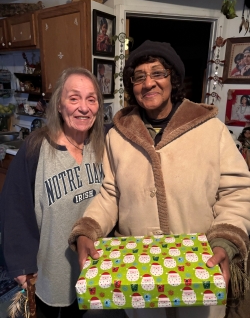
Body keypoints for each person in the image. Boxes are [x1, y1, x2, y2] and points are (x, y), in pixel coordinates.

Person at [68, 40, 250, 318]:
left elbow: (237, 191)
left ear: (173, 79)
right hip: (139, 279)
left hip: (200, 271)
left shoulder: (211, 130)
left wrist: (225, 239)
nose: (148, 83)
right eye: (139, 77)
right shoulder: (117, 136)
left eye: (158, 73)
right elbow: (110, 194)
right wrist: (87, 229)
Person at [0, 67, 105, 318]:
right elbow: (15, 208)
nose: (83, 107)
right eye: (74, 98)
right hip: (51, 271)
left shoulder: (103, 144)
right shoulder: (36, 148)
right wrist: (21, 264)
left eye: (91, 99)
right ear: (59, 104)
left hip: (93, 265)